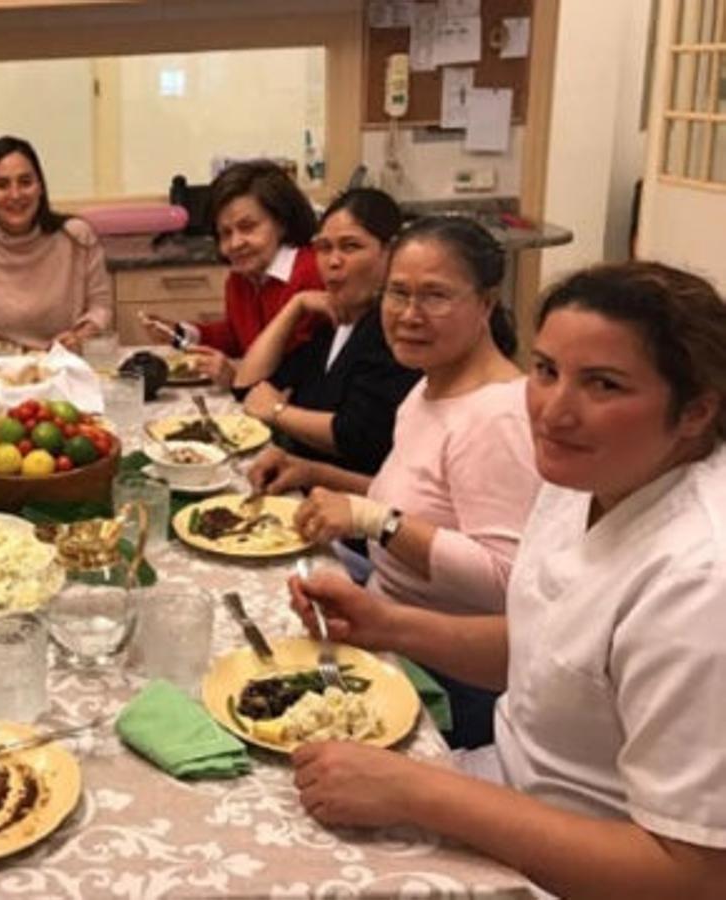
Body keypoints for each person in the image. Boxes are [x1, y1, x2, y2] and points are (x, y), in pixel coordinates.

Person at [286, 261, 726, 899]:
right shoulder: (587, 477)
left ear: (695, 411)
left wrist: (419, 790)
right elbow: (555, 652)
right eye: (546, 371)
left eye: (602, 385)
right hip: (507, 789)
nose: (553, 412)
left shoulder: (699, 581)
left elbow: (689, 875)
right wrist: (389, 624)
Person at [250, 216, 541, 747]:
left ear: (486, 302)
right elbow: (417, 504)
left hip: (447, 675)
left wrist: (370, 520)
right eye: (397, 294)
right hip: (379, 620)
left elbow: (506, 580)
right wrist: (314, 474)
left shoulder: (499, 417)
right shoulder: (431, 387)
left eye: (435, 296)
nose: (409, 315)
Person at [231, 188, 419, 476]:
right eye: (324, 248)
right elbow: (247, 386)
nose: (332, 261)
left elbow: (357, 437)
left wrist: (279, 413)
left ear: (390, 253)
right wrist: (295, 307)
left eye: (350, 246)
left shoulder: (395, 332)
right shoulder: (331, 323)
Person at [145, 160, 324, 386]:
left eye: (248, 227)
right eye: (225, 233)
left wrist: (236, 375)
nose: (235, 243)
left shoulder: (309, 274)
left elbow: (293, 371)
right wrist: (180, 332)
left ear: (282, 223)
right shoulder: (240, 278)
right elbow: (236, 337)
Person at [0, 135, 113, 357]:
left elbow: (101, 308)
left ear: (40, 187)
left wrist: (81, 336)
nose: (15, 194)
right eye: (2, 185)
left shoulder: (77, 237)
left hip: (67, 370)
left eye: (25, 182)